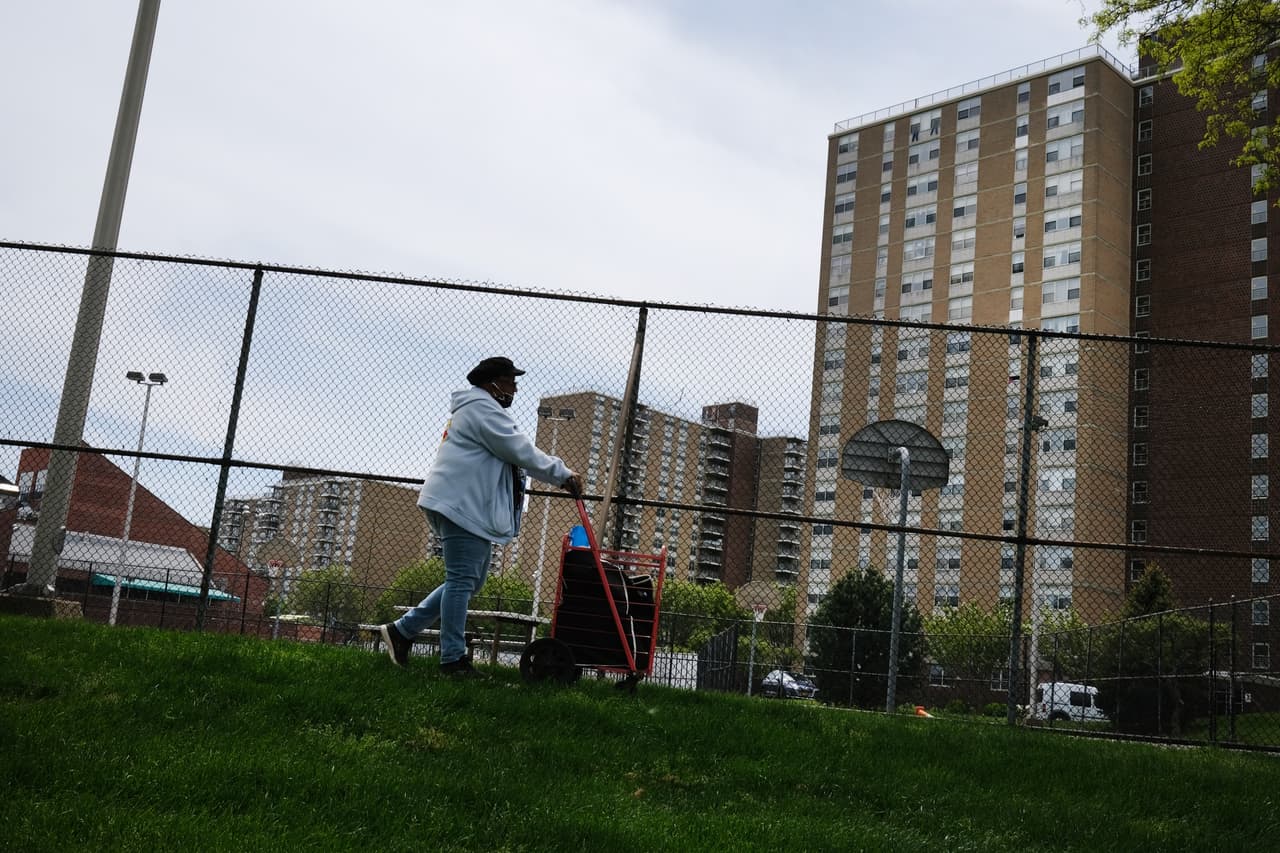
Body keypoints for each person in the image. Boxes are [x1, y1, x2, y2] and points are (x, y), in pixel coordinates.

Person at [379, 356, 582, 677]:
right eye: (511, 381)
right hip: (460, 503)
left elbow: (515, 455)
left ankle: (402, 631)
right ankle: (453, 661)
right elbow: (518, 448)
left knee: (468, 581)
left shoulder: (478, 409)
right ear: (493, 384)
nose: (515, 388)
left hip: (464, 503)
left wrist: (558, 475)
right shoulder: (481, 408)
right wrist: (563, 474)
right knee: (461, 581)